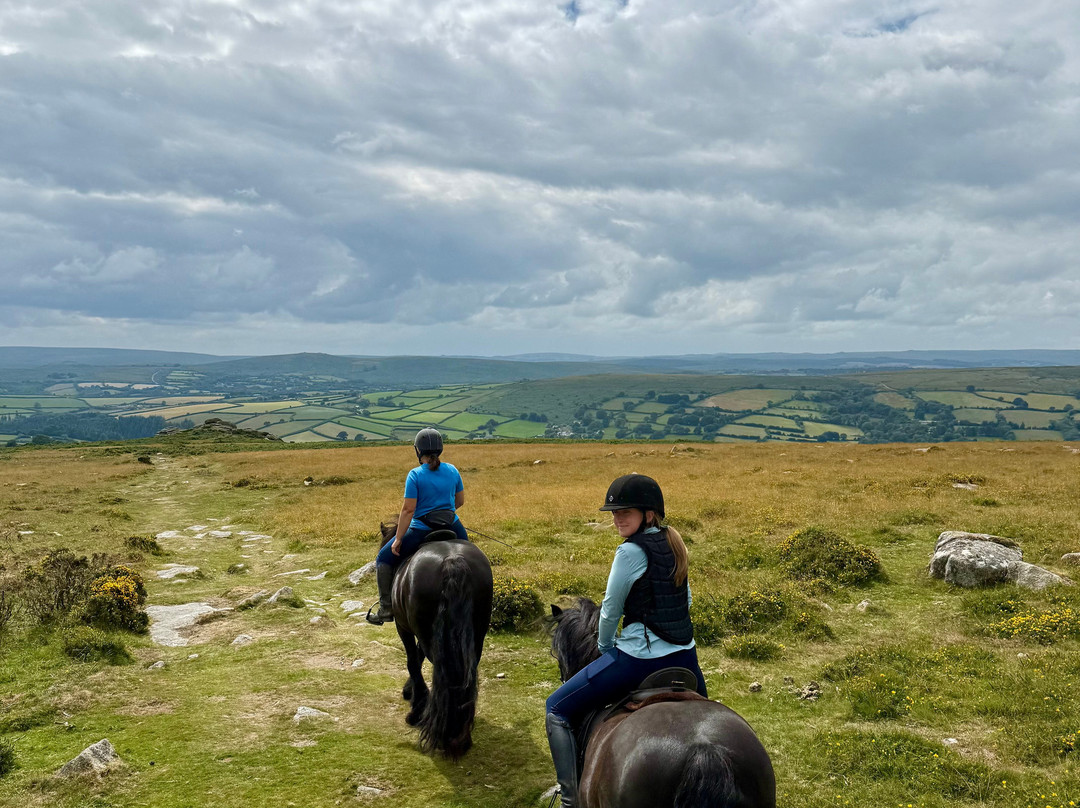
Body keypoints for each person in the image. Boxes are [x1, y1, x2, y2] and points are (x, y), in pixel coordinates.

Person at [544, 474, 708, 808]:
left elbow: (609, 612)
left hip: (637, 661)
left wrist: (605, 650)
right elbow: (685, 601)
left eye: (625, 512)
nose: (617, 518)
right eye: (614, 513)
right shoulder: (675, 542)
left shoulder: (629, 552)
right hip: (687, 659)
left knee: (556, 709)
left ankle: (570, 801)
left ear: (648, 513)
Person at [365, 428, 468, 625]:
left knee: (383, 559)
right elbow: (460, 501)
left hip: (422, 527)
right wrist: (443, 512)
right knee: (470, 554)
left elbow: (408, 511)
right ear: (440, 449)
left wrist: (397, 539)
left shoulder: (415, 475)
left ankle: (386, 609)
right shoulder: (453, 470)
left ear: (418, 451)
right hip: (451, 524)